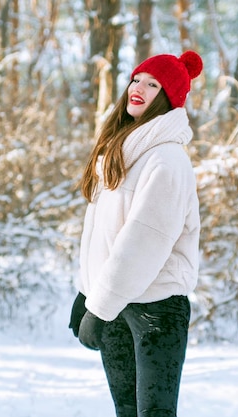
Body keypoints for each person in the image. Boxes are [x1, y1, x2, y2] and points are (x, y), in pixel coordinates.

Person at [69, 50, 203, 417]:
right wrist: (87, 291)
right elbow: (102, 233)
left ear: (167, 97)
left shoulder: (167, 160)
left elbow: (144, 242)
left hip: (156, 309)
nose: (138, 88)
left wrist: (99, 305)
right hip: (115, 303)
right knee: (126, 411)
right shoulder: (121, 151)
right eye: (136, 79)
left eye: (153, 84)